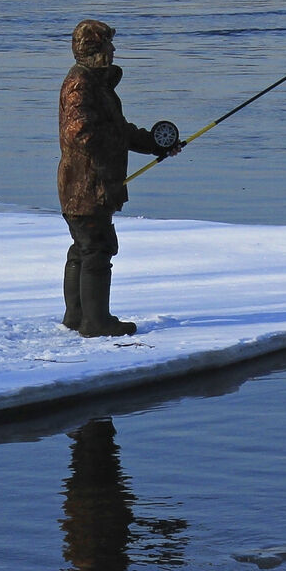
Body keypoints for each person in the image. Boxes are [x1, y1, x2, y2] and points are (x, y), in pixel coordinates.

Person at [57, 19, 181, 337]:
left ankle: (78, 317)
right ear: (96, 50)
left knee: (84, 246)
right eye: (109, 44)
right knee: (96, 248)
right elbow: (80, 133)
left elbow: (119, 130)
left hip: (87, 185)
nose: (113, 49)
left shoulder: (94, 84)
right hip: (88, 185)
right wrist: (115, 143)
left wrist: (155, 145)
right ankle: (95, 323)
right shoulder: (80, 85)